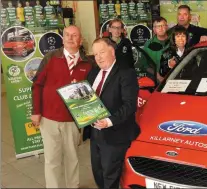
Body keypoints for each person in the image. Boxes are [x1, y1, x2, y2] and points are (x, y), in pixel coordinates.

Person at [31, 25, 93, 188]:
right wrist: (36, 111)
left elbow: (92, 94)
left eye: (74, 36)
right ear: (63, 38)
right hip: (49, 118)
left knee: (72, 158)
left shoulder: (87, 63)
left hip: (72, 120)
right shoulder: (51, 58)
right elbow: (37, 85)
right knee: (52, 159)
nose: (70, 38)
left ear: (80, 40)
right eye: (67, 35)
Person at [83, 38, 140, 189]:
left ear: (112, 51)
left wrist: (109, 121)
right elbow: (88, 100)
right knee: (98, 173)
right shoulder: (93, 73)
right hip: (95, 133)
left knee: (110, 176)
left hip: (115, 134)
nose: (99, 57)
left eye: (102, 52)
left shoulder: (126, 73)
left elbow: (130, 105)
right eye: (95, 54)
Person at [142, 16, 170, 82]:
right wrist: (158, 77)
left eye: (163, 25)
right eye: (158, 26)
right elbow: (146, 65)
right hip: (156, 81)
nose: (161, 28)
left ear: (167, 27)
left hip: (173, 79)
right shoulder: (148, 45)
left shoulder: (173, 41)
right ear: (154, 29)